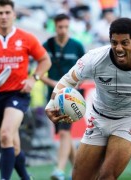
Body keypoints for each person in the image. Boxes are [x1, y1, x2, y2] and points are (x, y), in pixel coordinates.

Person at [45, 17, 131, 180]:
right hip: (98, 118)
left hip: (129, 120)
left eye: (124, 43)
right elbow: (68, 80)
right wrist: (51, 104)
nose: (118, 48)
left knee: (107, 176)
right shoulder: (94, 58)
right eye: (114, 42)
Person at [0, 0, 51, 180]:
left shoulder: (26, 38)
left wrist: (33, 78)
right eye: (0, 13)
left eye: (6, 12)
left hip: (18, 95)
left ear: (14, 14)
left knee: (5, 135)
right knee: (13, 145)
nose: (3, 17)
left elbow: (45, 60)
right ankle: (27, 177)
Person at [41, 13, 85, 180]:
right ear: (55, 26)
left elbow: (84, 71)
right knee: (63, 132)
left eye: (66, 27)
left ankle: (59, 170)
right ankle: (78, 172)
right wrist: (54, 83)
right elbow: (39, 72)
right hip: (52, 96)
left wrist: (71, 86)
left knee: (65, 132)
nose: (63, 30)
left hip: (72, 98)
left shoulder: (77, 46)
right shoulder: (47, 45)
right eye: (60, 27)